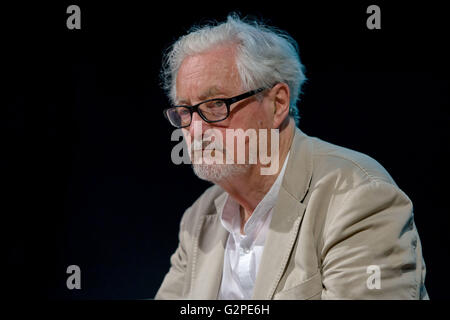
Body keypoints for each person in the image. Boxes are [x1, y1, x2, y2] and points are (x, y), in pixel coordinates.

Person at [155, 13, 428, 299]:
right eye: (185, 111)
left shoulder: (357, 196)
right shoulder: (199, 218)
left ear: (277, 104)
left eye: (215, 105)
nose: (195, 130)